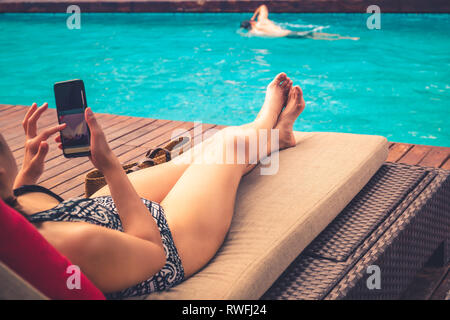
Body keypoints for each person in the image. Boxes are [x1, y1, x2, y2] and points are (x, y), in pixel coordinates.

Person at [0, 73, 305, 299]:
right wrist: (109, 165)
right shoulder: (70, 244)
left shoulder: (9, 218)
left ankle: (277, 138)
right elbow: (152, 252)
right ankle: (267, 122)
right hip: (166, 242)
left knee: (203, 152)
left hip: (100, 212)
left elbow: (22, 217)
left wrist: (25, 178)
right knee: (229, 144)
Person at [240, 5, 359, 40]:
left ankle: (342, 38)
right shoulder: (261, 22)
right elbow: (263, 7)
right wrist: (254, 16)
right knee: (314, 35)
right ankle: (345, 37)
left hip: (285, 37)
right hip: (288, 33)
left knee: (312, 37)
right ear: (252, 22)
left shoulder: (254, 32)